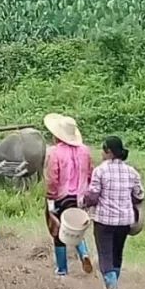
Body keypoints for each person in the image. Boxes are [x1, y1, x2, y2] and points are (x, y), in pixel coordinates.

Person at [82, 136, 145, 289]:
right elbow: (139, 195)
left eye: (103, 150)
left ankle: (112, 288)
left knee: (105, 256)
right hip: (124, 221)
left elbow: (93, 195)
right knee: (117, 254)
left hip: (104, 221)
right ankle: (113, 283)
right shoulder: (132, 172)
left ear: (108, 152)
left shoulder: (100, 171)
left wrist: (84, 202)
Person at [44, 113, 95, 276]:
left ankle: (62, 269)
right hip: (81, 197)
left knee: (58, 230)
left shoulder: (55, 152)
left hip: (62, 196)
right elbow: (90, 173)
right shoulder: (85, 151)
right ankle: (84, 254)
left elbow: (53, 178)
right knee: (76, 228)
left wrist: (50, 197)